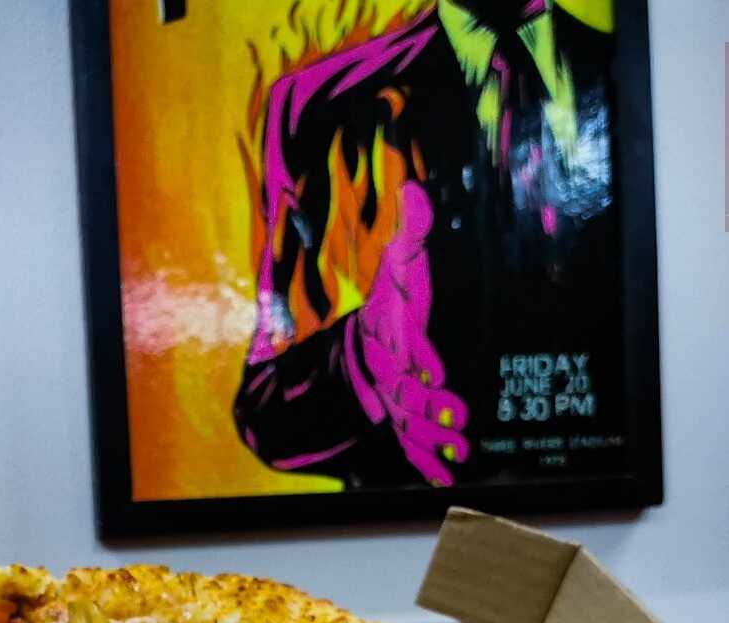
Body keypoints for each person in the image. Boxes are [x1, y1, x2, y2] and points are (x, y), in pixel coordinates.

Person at [233, 0, 622, 489]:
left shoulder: (627, 78)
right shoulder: (317, 106)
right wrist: (363, 360)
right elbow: (269, 410)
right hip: (414, 521)